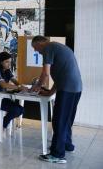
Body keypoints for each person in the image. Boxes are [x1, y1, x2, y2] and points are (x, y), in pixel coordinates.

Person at [31, 36, 82, 164]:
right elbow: (61, 75)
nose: (36, 51)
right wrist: (50, 92)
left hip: (67, 89)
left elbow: (46, 73)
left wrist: (37, 86)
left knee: (59, 120)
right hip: (76, 88)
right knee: (66, 119)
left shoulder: (48, 48)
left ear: (40, 43)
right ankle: (66, 145)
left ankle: (57, 154)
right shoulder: (58, 47)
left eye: (35, 48)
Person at [0, 52, 27, 129]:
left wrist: (21, 86)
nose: (9, 64)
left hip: (3, 99)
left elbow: (15, 81)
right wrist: (18, 87)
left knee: (21, 109)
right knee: (16, 110)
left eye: (10, 62)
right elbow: (4, 85)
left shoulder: (7, 71)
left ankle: (3, 123)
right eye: (7, 62)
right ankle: (2, 125)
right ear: (1, 62)